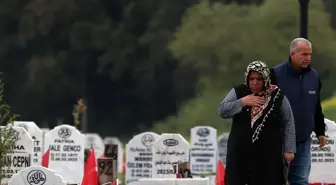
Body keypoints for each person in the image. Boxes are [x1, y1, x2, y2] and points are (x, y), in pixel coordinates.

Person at [218, 61, 296, 185]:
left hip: (268, 153)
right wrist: (243, 102)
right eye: (251, 79)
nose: (254, 82)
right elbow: (222, 111)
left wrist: (289, 149)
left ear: (265, 79)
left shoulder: (277, 95)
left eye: (259, 79)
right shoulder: (239, 91)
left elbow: (288, 121)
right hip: (240, 153)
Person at [270, 38, 327, 185]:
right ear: (292, 54)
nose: (308, 58)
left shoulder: (313, 76)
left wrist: (320, 131)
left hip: (303, 140)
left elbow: (316, 105)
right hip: (278, 141)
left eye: (310, 54)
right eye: (304, 54)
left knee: (300, 181)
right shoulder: (275, 75)